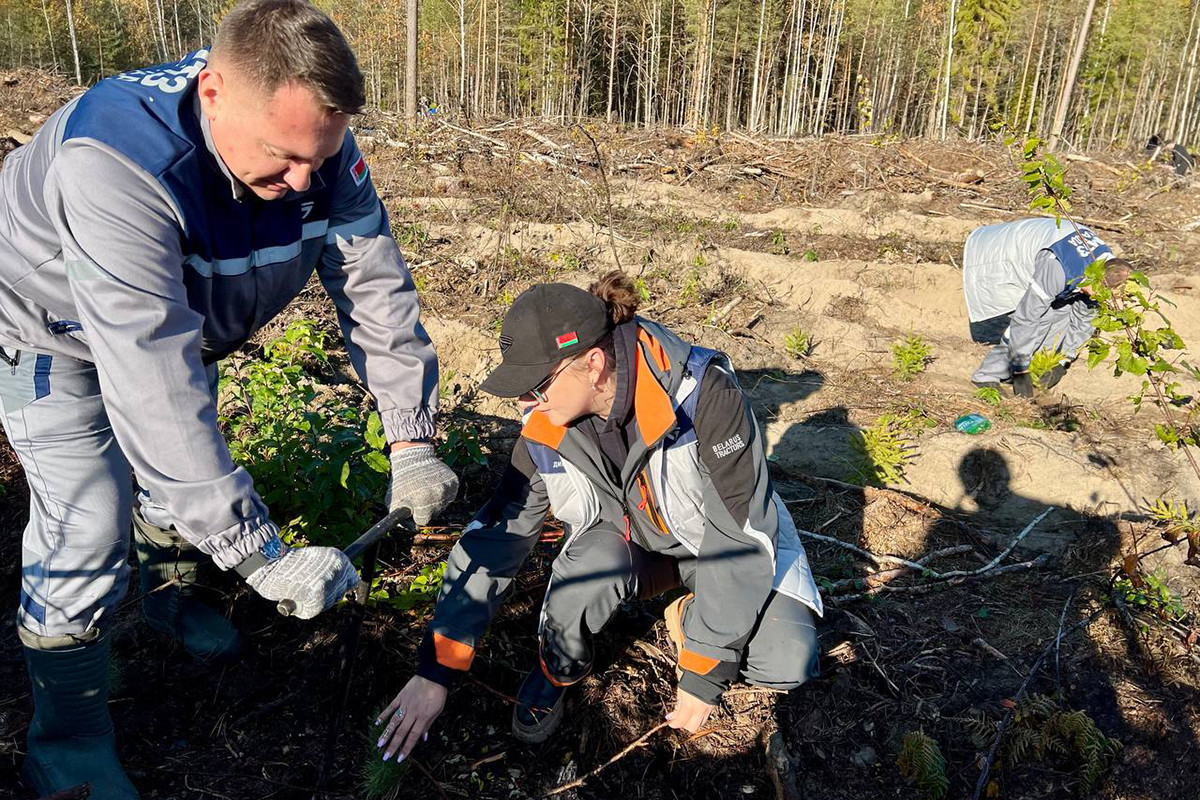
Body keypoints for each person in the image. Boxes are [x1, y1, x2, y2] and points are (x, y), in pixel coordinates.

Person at [0, 1, 458, 796]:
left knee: (178, 471)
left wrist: (412, 439)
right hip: (51, 329)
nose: (303, 185)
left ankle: (172, 596)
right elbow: (149, 375)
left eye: (321, 158)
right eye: (283, 161)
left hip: (184, 320)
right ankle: (67, 740)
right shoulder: (116, 161)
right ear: (212, 95)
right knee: (88, 515)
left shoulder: (318, 148)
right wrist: (259, 554)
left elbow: (373, 284)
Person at [374, 272, 824, 762]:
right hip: (626, 544)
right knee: (581, 582)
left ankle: (691, 616)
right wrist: (437, 669)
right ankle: (555, 672)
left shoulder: (703, 394)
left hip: (715, 542)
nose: (528, 403)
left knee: (787, 661)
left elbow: (739, 535)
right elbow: (498, 537)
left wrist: (703, 671)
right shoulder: (546, 424)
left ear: (592, 364)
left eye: (537, 386)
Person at [963, 218, 1131, 396]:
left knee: (1061, 316)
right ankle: (987, 376)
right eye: (1096, 291)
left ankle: (1033, 370)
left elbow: (1085, 321)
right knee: (1039, 319)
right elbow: (1026, 318)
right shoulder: (1056, 269)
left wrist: (1064, 362)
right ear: (1092, 277)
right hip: (1007, 251)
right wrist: (1020, 369)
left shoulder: (1108, 269)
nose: (1097, 296)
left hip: (1058, 252)